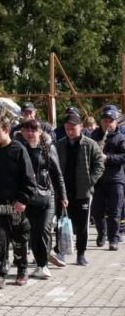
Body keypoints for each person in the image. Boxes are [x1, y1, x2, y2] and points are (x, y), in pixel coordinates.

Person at [0, 116, 36, 289]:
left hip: (16, 204)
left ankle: (22, 270)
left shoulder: (18, 149)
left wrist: (23, 199)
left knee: (19, 239)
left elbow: (29, 177)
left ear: (6, 130)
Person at [16, 118, 67, 279]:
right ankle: (40, 263)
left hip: (47, 196)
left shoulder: (48, 148)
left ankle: (43, 265)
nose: (30, 133)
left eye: (33, 130)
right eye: (27, 130)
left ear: (39, 131)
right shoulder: (20, 148)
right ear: (22, 132)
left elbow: (57, 174)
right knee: (34, 233)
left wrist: (63, 196)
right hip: (29, 197)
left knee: (44, 229)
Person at [55, 112, 104, 265]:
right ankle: (61, 252)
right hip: (63, 192)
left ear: (81, 127)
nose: (70, 132)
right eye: (67, 128)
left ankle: (81, 254)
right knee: (61, 223)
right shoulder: (60, 144)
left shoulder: (90, 144)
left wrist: (91, 181)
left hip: (82, 191)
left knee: (82, 226)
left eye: (73, 128)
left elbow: (99, 165)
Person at [90, 107, 125, 251]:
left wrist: (108, 158)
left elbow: (124, 156)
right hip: (98, 179)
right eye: (105, 121)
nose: (108, 123)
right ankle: (101, 233)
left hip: (115, 179)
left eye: (110, 121)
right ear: (101, 122)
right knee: (97, 211)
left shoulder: (120, 138)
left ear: (115, 122)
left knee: (114, 211)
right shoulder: (94, 135)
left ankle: (113, 239)